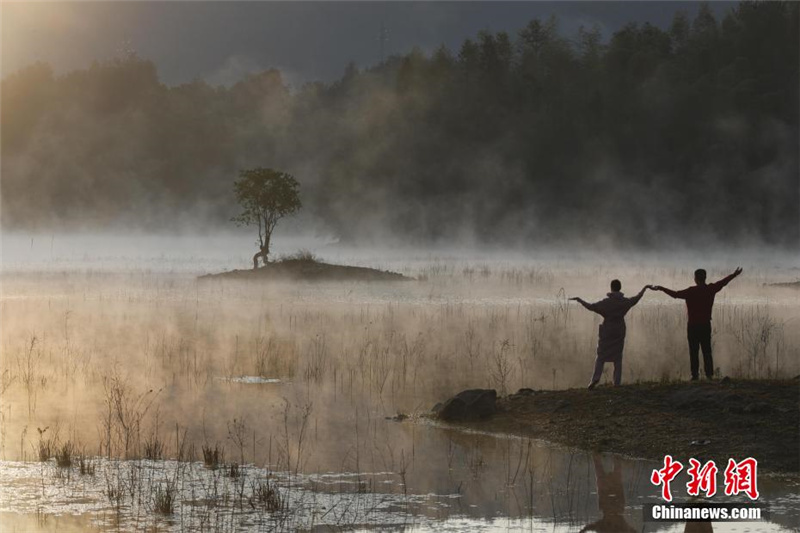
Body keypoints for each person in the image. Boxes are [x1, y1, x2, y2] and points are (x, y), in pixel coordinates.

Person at [652, 267, 743, 381]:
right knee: (707, 351)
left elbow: (675, 294)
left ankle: (694, 375)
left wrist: (661, 288)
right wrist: (734, 275)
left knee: (693, 351)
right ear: (705, 278)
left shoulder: (690, 291)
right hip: (705, 325)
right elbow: (723, 282)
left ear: (695, 279)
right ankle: (709, 375)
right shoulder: (711, 289)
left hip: (693, 326)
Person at [570, 280, 650, 389]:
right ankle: (616, 383)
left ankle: (595, 379)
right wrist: (644, 288)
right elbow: (636, 298)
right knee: (618, 358)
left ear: (611, 288)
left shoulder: (606, 303)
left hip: (607, 330)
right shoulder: (624, 302)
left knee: (601, 356)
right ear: (620, 288)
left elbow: (591, 307)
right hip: (619, 330)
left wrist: (580, 300)